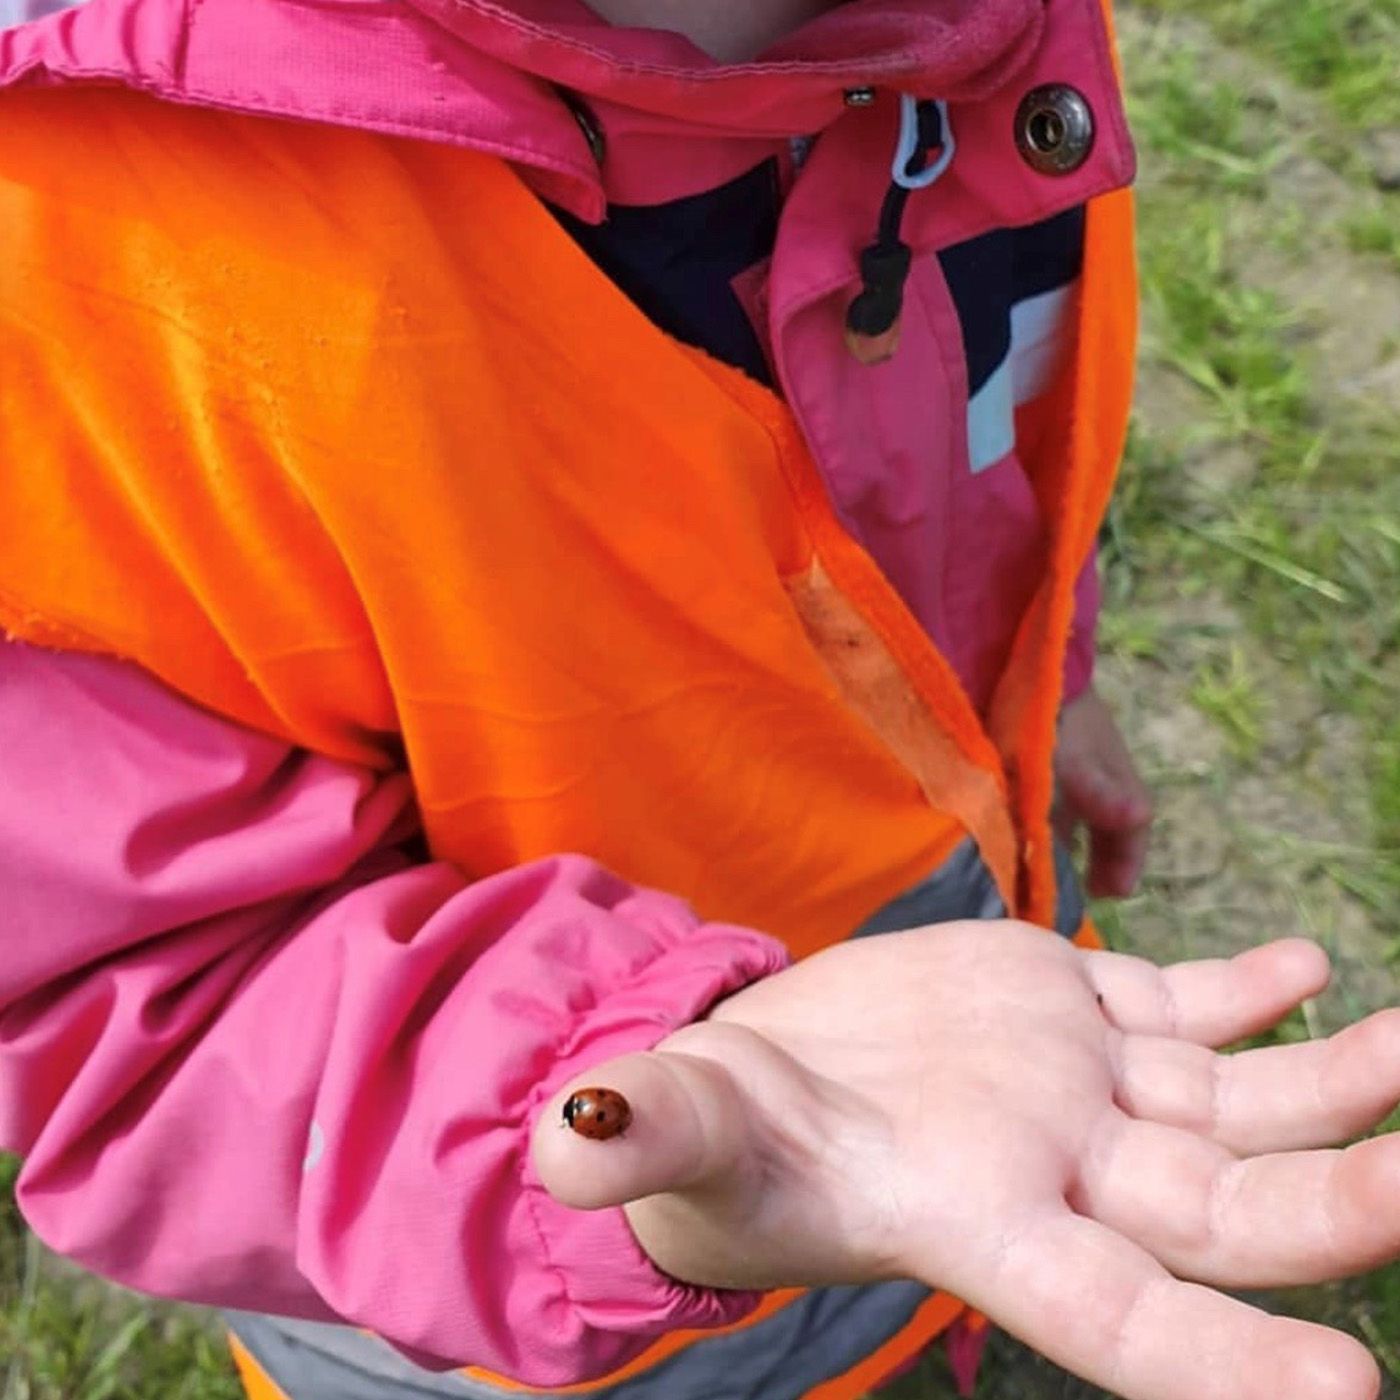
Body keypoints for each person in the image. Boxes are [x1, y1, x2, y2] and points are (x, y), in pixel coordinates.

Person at [0, 2, 1396, 1400]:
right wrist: (601, 1108)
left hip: (976, 1067)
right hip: (525, 1299)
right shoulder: (68, 250)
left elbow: (975, 434)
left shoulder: (997, 44)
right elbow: (146, 1006)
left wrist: (1054, 669)